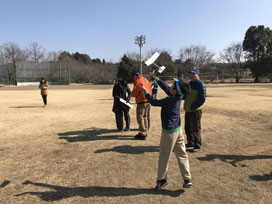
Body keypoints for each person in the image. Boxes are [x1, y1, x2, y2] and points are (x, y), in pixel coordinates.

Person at [139, 71, 192, 191]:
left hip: (169, 133)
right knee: (182, 154)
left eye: (173, 85)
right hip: (178, 131)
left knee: (164, 156)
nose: (171, 86)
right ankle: (187, 178)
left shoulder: (170, 101)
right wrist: (156, 79)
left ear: (175, 91)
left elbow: (154, 102)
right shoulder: (177, 96)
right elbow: (166, 87)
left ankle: (162, 180)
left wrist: (145, 92)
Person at [184, 68, 206, 152]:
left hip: (195, 111)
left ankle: (197, 144)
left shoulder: (200, 84)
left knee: (195, 128)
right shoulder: (190, 84)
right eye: (190, 74)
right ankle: (190, 142)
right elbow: (186, 95)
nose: (191, 76)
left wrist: (194, 106)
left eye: (193, 74)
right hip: (188, 110)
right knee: (188, 128)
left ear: (198, 75)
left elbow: (202, 98)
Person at [131, 72, 152, 140]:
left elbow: (135, 93)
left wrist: (131, 94)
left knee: (140, 117)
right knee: (145, 116)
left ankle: (142, 133)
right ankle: (145, 130)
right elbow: (150, 87)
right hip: (148, 100)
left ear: (135, 76)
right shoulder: (145, 79)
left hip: (141, 100)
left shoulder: (138, 81)